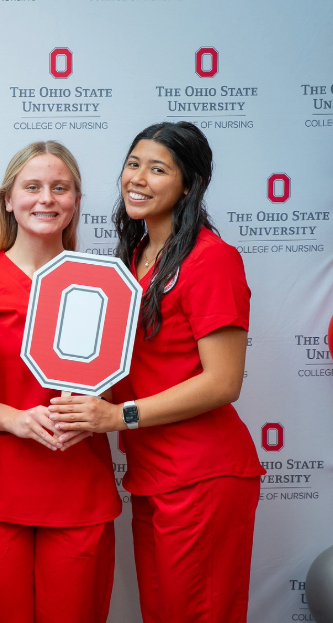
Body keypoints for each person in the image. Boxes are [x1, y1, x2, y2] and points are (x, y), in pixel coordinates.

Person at [47, 121, 264, 623]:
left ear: (188, 184)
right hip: (151, 473)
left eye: (158, 169)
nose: (138, 179)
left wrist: (117, 416)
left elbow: (223, 381)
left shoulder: (212, 259)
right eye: (133, 163)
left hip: (202, 474)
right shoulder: (134, 258)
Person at [0, 142, 121, 623]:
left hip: (78, 488)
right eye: (32, 187)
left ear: (75, 202)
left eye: (59, 188)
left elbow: (115, 388)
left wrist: (96, 409)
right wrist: (17, 420)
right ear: (8, 200)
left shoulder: (104, 282)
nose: (46, 199)